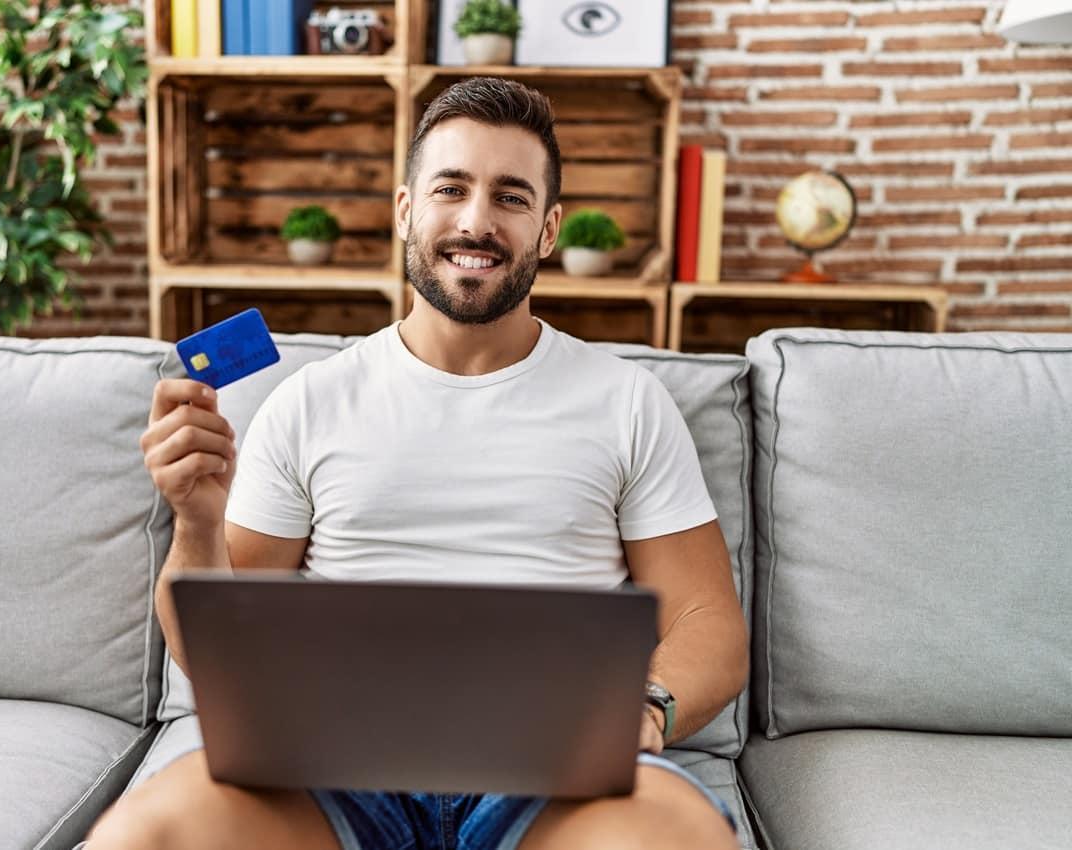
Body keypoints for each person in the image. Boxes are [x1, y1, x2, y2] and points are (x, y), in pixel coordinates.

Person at [89, 76, 748, 850]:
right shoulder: (308, 402)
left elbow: (709, 622)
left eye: (510, 197)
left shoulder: (627, 401)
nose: (477, 221)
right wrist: (196, 522)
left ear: (547, 229)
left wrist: (647, 707)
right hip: (331, 763)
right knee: (142, 836)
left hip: (555, 767)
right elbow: (214, 655)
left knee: (681, 838)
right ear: (406, 210)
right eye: (451, 189)